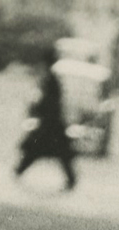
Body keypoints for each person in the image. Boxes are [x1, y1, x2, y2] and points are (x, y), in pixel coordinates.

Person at [16, 49, 77, 190]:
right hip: (52, 122)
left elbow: (49, 102)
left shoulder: (50, 80)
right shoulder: (51, 79)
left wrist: (37, 108)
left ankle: (19, 170)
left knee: (38, 148)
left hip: (50, 123)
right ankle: (20, 170)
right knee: (58, 152)